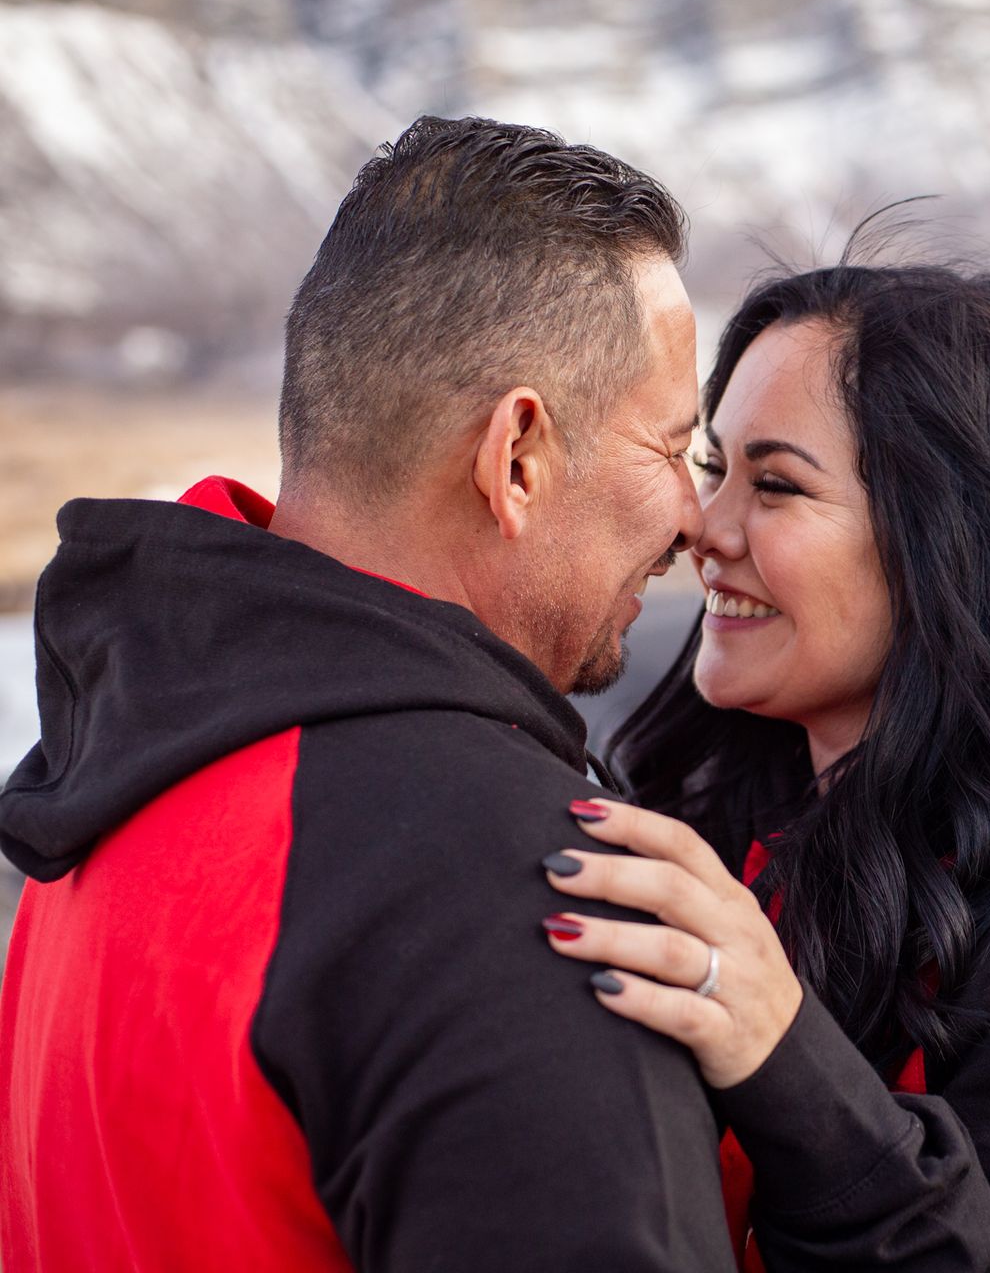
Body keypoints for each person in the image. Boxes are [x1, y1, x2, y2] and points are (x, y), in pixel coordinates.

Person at [0, 117, 735, 1271]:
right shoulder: (525, 888)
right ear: (520, 458)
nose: (696, 522)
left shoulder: (107, 783)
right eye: (673, 447)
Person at [535, 262, 990, 1271]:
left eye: (778, 484)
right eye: (714, 468)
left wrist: (782, 1056)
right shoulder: (738, 813)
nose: (704, 528)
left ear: (954, 545)